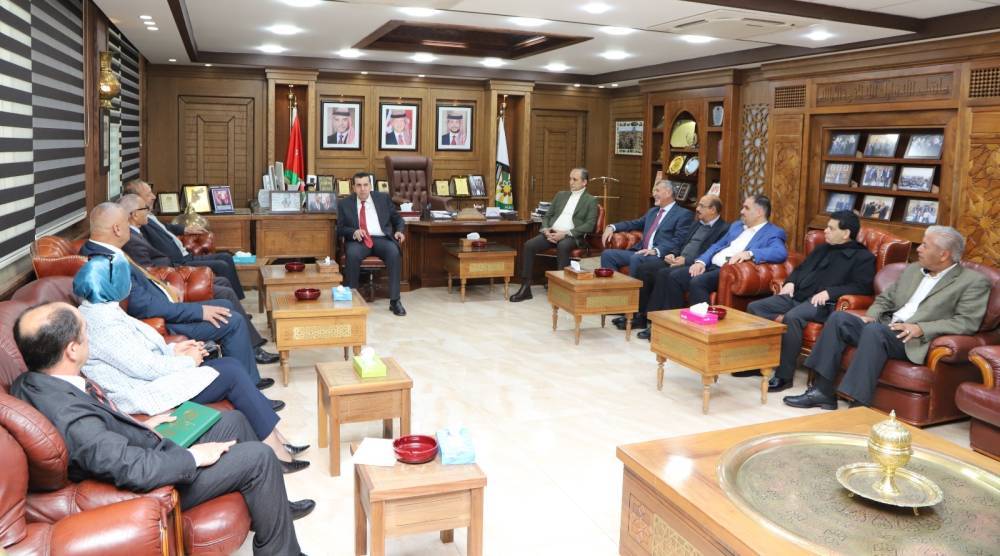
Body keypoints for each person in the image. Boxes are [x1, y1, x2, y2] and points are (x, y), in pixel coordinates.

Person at [10, 302, 314, 556]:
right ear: (72, 350)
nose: (90, 337)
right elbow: (131, 468)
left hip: (141, 447)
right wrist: (195, 457)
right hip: (150, 481)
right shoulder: (69, 416)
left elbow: (101, 430)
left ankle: (273, 509)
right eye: (85, 332)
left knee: (232, 421)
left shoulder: (36, 381)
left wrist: (141, 424)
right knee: (259, 458)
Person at [72, 255, 309, 472]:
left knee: (231, 367)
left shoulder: (102, 309)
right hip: (142, 393)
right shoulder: (104, 323)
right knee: (232, 373)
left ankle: (278, 442)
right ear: (114, 285)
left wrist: (174, 350)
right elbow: (146, 369)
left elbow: (139, 355)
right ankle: (277, 451)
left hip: (151, 379)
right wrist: (187, 360)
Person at [784, 226, 990, 410]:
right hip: (884, 326)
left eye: (925, 245)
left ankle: (858, 404)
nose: (919, 249)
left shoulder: (972, 282)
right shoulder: (913, 270)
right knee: (839, 319)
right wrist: (871, 316)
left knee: (876, 332)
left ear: (944, 254)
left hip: (912, 338)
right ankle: (822, 392)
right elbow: (885, 299)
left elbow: (966, 322)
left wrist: (921, 328)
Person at [78, 203, 269, 389]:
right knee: (232, 320)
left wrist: (166, 288)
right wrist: (199, 311)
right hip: (159, 322)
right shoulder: (105, 262)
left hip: (164, 308)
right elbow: (144, 306)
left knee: (225, 304)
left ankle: (241, 372)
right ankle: (247, 385)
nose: (130, 227)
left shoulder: (106, 252)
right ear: (117, 229)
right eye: (126, 223)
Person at [118, 194, 278, 367]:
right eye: (145, 209)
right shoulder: (129, 244)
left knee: (225, 285)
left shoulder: (138, 231)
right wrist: (176, 285)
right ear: (133, 215)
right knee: (226, 295)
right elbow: (150, 279)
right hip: (173, 281)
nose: (149, 210)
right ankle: (251, 348)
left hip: (172, 278)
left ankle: (246, 345)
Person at [746, 211, 876, 393]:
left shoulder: (863, 257)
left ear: (846, 233)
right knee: (755, 308)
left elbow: (862, 287)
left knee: (792, 318)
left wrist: (830, 292)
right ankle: (756, 363)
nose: (826, 231)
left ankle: (784, 376)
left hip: (822, 305)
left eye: (831, 228)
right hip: (797, 296)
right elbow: (800, 269)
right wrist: (790, 282)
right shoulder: (822, 248)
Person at [636, 195, 787, 339]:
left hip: (727, 271)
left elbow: (780, 252)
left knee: (697, 282)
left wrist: (750, 253)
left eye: (746, 208)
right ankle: (663, 325)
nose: (741, 211)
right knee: (670, 275)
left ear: (759, 212)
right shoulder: (737, 226)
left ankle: (702, 332)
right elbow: (716, 246)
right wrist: (701, 262)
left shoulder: (773, 232)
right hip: (710, 266)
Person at [124, 180, 247, 303]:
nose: (154, 197)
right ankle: (234, 301)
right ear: (135, 200)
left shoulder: (148, 216)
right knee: (222, 265)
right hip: (178, 262)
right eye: (148, 194)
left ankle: (238, 301)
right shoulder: (140, 224)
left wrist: (184, 229)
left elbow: (164, 227)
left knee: (226, 256)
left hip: (184, 255)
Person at [629, 195, 728, 333]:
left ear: (713, 210)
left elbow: (711, 254)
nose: (697, 209)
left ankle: (661, 323)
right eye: (698, 205)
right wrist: (673, 254)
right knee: (645, 269)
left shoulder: (723, 229)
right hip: (678, 259)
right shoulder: (697, 224)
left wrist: (686, 261)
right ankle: (641, 317)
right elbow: (681, 243)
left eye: (701, 206)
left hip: (694, 265)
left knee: (665, 274)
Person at [509, 167, 598, 302]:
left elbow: (589, 225)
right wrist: (545, 230)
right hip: (551, 233)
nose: (571, 182)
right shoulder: (561, 195)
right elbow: (547, 215)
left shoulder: (590, 200)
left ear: (584, 182)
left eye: (575, 180)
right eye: (570, 179)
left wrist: (565, 233)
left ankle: (561, 289)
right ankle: (525, 287)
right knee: (529, 245)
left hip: (571, 236)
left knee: (563, 246)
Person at [337, 172, 407, 316]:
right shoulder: (344, 204)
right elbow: (340, 229)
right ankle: (352, 299)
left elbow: (398, 219)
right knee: (352, 254)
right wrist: (353, 232)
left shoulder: (383, 199)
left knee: (394, 252)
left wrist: (399, 231)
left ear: (370, 186)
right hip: (360, 240)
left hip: (381, 238)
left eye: (365, 185)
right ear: (353, 188)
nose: (362, 189)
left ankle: (395, 301)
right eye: (359, 185)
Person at [599, 181, 693, 275]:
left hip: (660, 255)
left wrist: (656, 250)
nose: (654, 194)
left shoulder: (683, 214)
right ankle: (615, 284)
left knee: (637, 258)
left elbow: (679, 240)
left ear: (668, 193)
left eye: (657, 190)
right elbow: (634, 223)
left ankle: (634, 285)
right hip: (641, 252)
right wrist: (612, 227)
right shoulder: (652, 211)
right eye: (654, 191)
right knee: (608, 254)